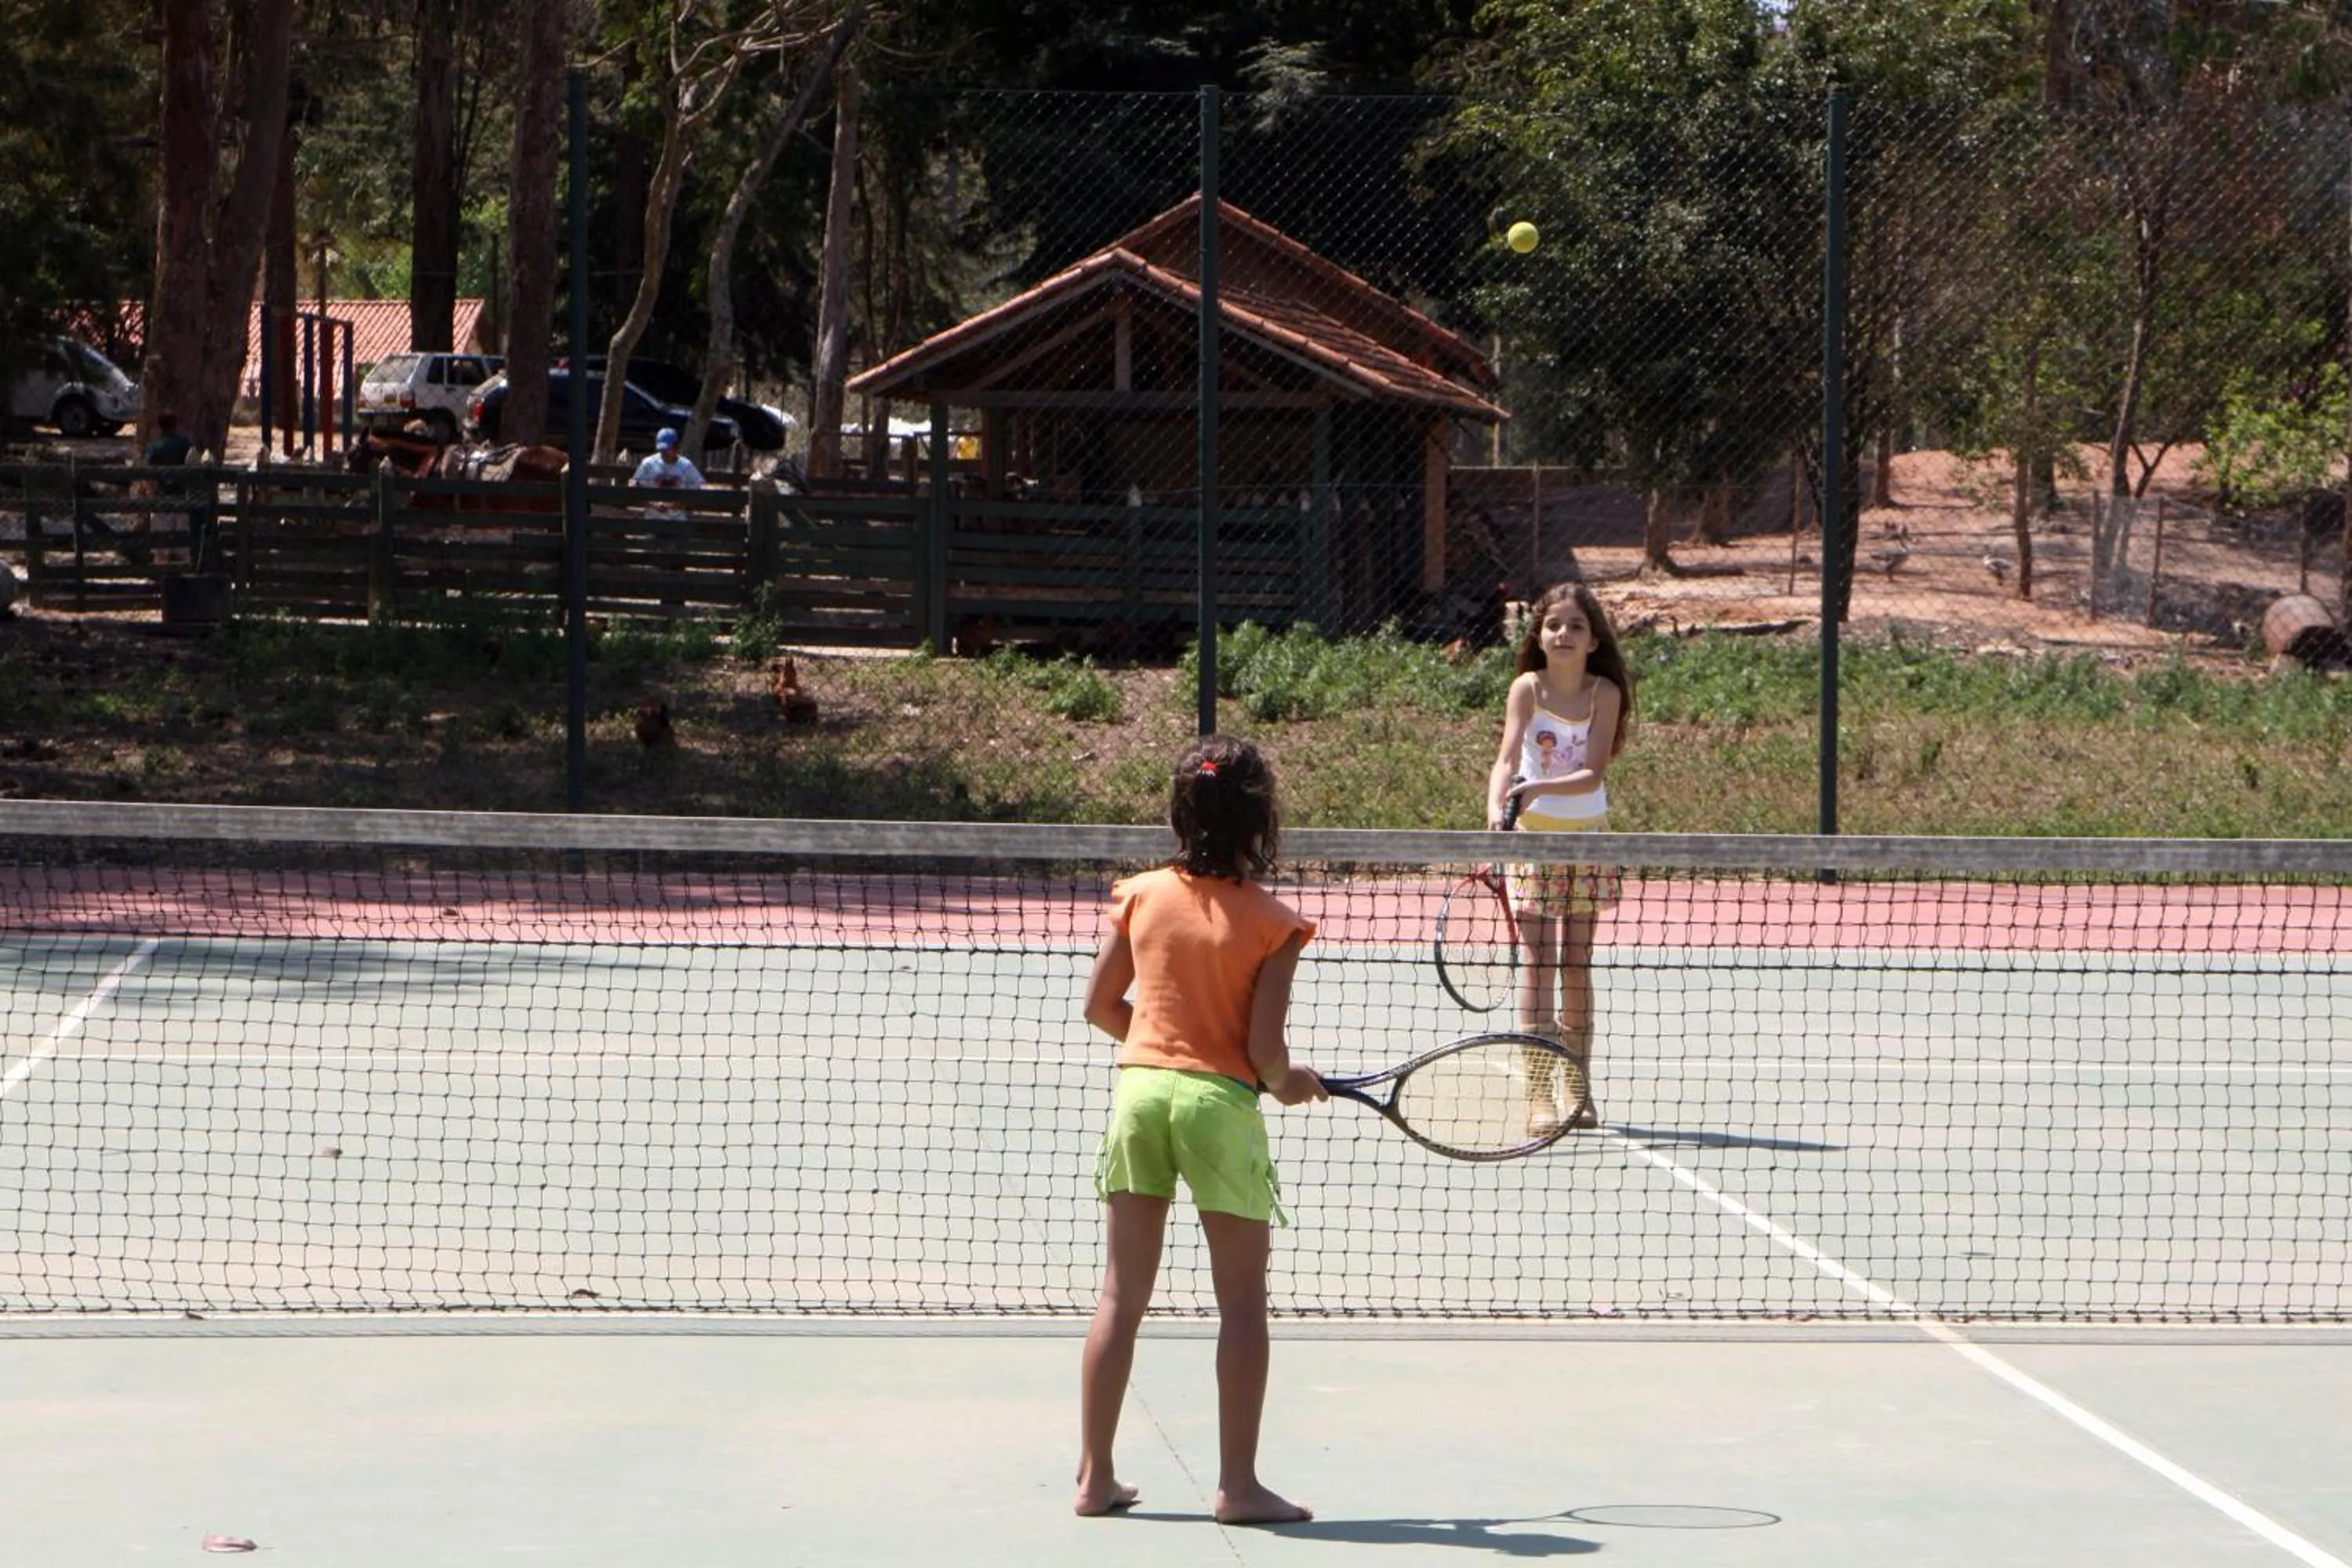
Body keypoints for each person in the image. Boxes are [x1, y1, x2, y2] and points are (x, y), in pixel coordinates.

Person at [1076, 735, 1324, 1526]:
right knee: (1243, 1304)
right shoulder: (1275, 922)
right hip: (1219, 1110)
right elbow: (1264, 1056)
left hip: (1139, 1097)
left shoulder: (1140, 894)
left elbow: (1102, 1007)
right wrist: (1288, 1085)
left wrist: (1165, 1050)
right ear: (1263, 818)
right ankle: (1238, 1487)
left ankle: (1094, 1477)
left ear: (1181, 811)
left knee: (1121, 1293)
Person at [1485, 579, 1635, 1135]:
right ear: (1539, 636)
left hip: (1586, 842)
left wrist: (1534, 790)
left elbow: (1592, 772)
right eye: (1554, 625)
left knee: (1576, 963)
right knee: (1538, 963)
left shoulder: (1604, 694)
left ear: (1594, 640)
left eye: (1576, 625)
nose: (1564, 634)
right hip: (1533, 844)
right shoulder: (1526, 687)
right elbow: (1506, 759)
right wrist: (1495, 810)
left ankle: (1578, 1088)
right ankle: (1539, 1096)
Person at [630, 426, 705, 515]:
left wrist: (680, 504)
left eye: (667, 449)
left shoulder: (686, 465)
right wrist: (653, 504)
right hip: (653, 519)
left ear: (676, 447)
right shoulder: (648, 463)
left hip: (678, 520)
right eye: (662, 450)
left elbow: (698, 489)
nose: (664, 453)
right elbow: (635, 484)